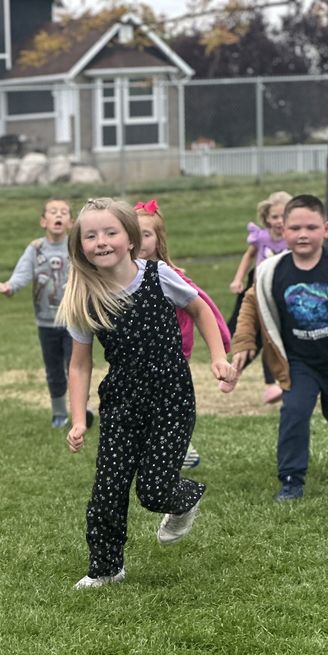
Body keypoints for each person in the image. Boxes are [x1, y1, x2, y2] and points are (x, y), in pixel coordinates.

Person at [57, 197, 236, 589]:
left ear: (131, 238)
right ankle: (106, 568)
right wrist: (77, 418)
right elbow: (80, 364)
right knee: (108, 488)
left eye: (110, 232)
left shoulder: (159, 276)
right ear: (79, 244)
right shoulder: (85, 294)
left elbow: (200, 309)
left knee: (154, 490)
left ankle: (185, 496)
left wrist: (218, 359)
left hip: (171, 396)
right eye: (91, 235)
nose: (101, 241)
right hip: (121, 402)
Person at [230, 193, 328, 502]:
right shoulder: (271, 271)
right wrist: (244, 343)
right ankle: (292, 479)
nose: (303, 234)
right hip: (299, 362)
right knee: (294, 413)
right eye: (296, 228)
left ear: (325, 229)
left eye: (312, 227)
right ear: (283, 230)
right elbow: (251, 305)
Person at [135, 198, 231, 470]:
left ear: (158, 238)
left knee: (165, 405)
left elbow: (204, 307)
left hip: (172, 354)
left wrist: (221, 349)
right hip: (138, 355)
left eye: (146, 234)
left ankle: (180, 446)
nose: (140, 241)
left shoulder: (171, 275)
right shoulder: (121, 276)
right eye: (134, 234)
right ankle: (162, 448)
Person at [0, 197, 94, 430]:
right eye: (53, 212)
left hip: (74, 321)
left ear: (71, 222)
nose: (58, 215)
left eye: (64, 212)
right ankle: (59, 413)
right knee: (54, 370)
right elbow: (23, 272)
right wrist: (10, 286)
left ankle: (81, 410)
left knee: (76, 366)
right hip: (46, 322)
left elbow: (93, 272)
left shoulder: (76, 247)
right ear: (43, 221)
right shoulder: (35, 248)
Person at [228, 190, 292, 404]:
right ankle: (233, 372)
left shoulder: (292, 239)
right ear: (267, 218)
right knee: (247, 334)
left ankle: (271, 385)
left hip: (279, 292)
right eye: (274, 216)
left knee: (270, 337)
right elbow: (248, 257)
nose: (279, 221)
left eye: (284, 216)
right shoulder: (261, 237)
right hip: (257, 289)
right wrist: (237, 280)